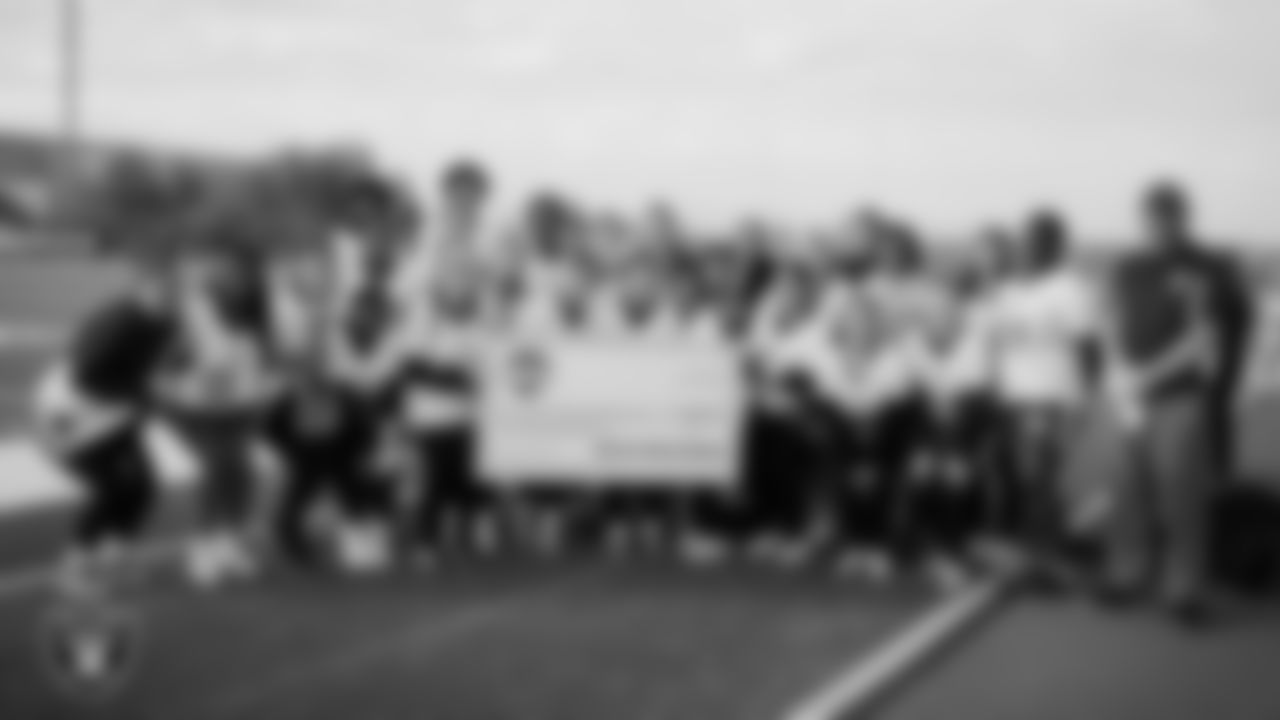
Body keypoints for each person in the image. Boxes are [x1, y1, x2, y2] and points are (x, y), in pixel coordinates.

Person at [1103, 182, 1255, 624]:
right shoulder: (1129, 266)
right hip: (1129, 397)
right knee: (1127, 490)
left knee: (1181, 497)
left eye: (1167, 215)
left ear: (1183, 218)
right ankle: (1125, 574)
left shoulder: (1206, 267)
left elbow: (1202, 336)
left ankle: (1183, 591)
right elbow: (1113, 321)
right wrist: (1116, 373)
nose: (1158, 224)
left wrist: (1143, 378)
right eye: (1151, 216)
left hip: (1178, 396)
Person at [33, 258, 179, 594]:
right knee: (112, 488)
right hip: (73, 411)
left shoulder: (165, 322)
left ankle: (114, 556)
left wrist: (165, 383)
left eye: (175, 292)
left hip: (117, 411)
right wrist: (145, 394)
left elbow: (159, 364)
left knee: (143, 485)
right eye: (162, 290)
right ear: (142, 287)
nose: (169, 297)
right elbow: (87, 375)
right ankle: (75, 566)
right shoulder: (117, 322)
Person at [979, 211, 1104, 589]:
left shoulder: (1071, 290)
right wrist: (992, 384)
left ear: (1055, 246)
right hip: (1012, 395)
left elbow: (1089, 348)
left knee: (1038, 478)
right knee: (1021, 478)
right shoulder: (1009, 290)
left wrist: (1086, 396)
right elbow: (995, 341)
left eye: (1038, 240)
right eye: (1026, 239)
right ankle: (1040, 553)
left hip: (1051, 396)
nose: (1029, 247)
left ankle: (1042, 562)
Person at [165, 236, 287, 588]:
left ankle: (229, 542)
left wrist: (265, 386)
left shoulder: (257, 308)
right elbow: (166, 364)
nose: (239, 278)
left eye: (247, 273)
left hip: (240, 404)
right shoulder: (196, 308)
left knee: (242, 472)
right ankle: (203, 548)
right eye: (232, 270)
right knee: (219, 467)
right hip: (195, 406)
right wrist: (195, 379)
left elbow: (265, 356)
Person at [401, 160, 495, 558]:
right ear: (445, 193)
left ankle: (474, 532)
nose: (465, 198)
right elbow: (410, 357)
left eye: (473, 191)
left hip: (484, 391)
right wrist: (454, 379)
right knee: (436, 471)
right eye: (458, 191)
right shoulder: (424, 241)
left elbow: (502, 297)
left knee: (479, 468)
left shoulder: (495, 239)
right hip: (435, 395)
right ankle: (425, 538)